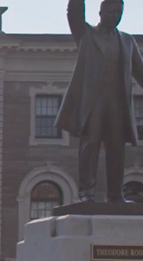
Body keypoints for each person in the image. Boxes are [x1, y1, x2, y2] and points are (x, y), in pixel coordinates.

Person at [56, 0, 143, 203]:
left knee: (116, 148)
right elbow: (74, 12)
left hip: (117, 104)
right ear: (101, 12)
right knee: (90, 145)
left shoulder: (127, 41)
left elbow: (140, 72)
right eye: (111, 12)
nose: (115, 16)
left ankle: (115, 194)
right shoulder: (86, 35)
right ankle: (87, 193)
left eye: (119, 13)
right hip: (92, 102)